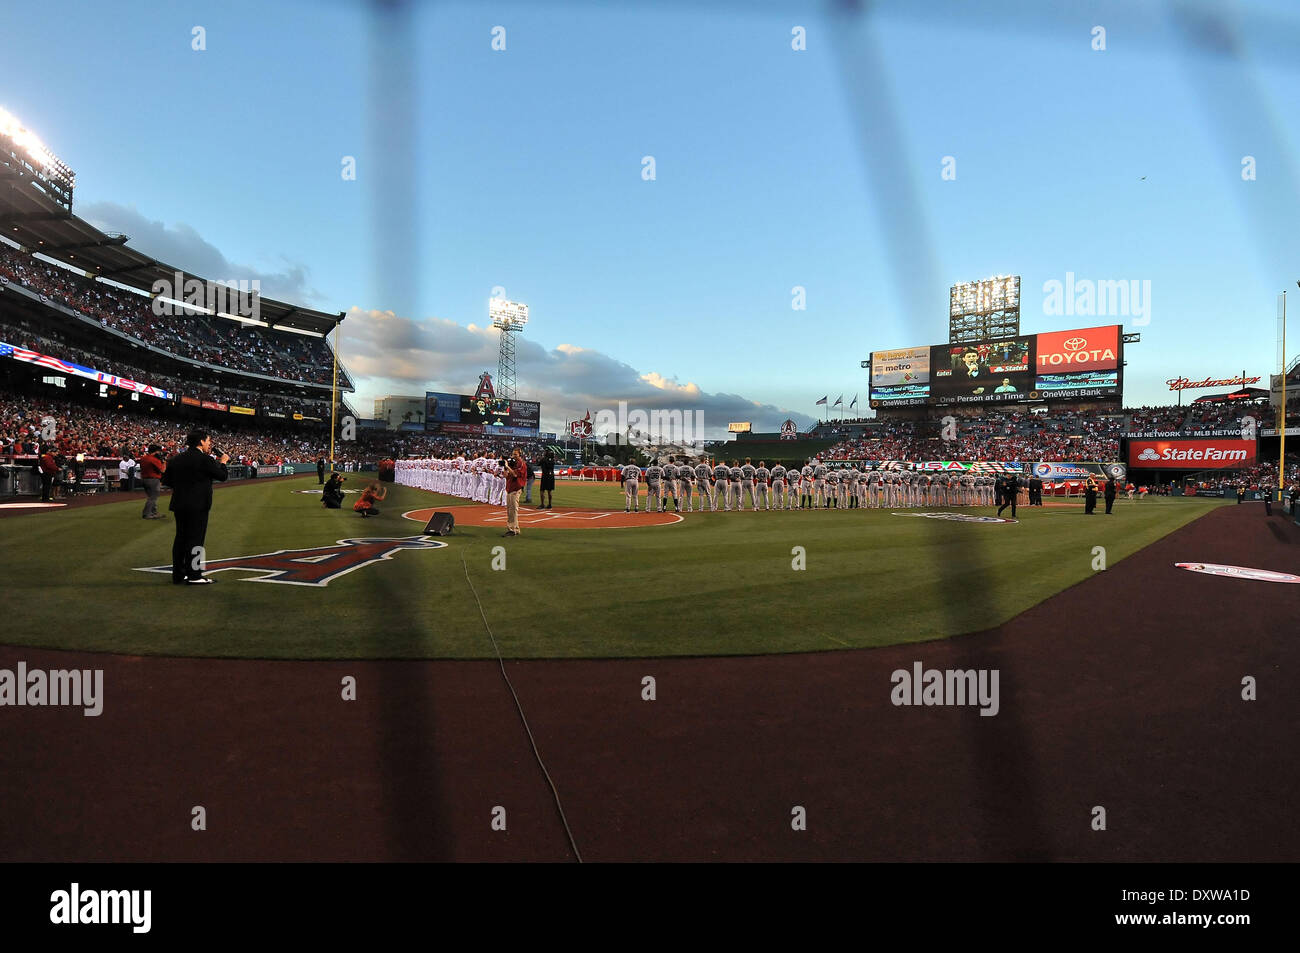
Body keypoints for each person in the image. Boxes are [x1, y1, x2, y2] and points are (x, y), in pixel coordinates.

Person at [160, 430, 229, 585]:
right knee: (196, 540)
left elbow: (167, 481)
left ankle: (178, 574)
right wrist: (223, 461)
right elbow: (223, 476)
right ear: (201, 441)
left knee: (180, 539)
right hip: (198, 505)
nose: (210, 444)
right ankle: (195, 575)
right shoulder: (205, 459)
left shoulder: (176, 459)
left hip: (179, 503)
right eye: (208, 441)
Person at [139, 444, 167, 519]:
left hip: (144, 479)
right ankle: (147, 514)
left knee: (151, 497)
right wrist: (164, 462)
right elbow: (162, 470)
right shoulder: (154, 459)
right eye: (159, 451)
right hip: (153, 480)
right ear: (156, 451)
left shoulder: (143, 458)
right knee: (153, 497)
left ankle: (154, 512)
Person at [503, 450, 526, 536]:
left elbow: (515, 474)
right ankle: (515, 529)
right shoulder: (512, 464)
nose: (513, 456)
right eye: (513, 454)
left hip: (516, 488)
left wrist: (507, 466)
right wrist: (505, 467)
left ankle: (512, 530)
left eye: (515, 454)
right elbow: (505, 475)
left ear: (520, 455)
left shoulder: (521, 463)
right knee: (510, 510)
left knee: (513, 510)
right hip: (509, 488)